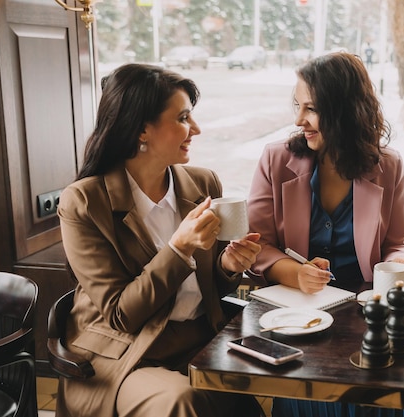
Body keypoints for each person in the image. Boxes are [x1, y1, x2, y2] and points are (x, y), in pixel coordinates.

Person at [56, 63, 262, 417]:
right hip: (128, 354)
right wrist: (179, 249)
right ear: (141, 130)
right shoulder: (84, 203)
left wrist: (228, 267)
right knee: (181, 401)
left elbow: (212, 291)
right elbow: (121, 315)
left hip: (201, 342)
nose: (195, 129)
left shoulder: (203, 184)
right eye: (183, 118)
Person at [246, 52, 404, 417]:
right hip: (296, 319)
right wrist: (295, 273)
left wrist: (394, 272)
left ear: (344, 110)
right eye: (297, 106)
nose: (299, 120)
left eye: (311, 108)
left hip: (369, 316)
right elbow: (257, 243)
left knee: (393, 397)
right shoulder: (275, 160)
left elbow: (402, 243)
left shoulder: (388, 165)